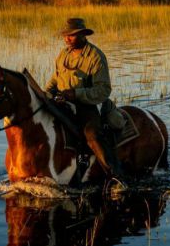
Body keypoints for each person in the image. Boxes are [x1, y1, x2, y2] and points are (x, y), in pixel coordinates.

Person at [44, 18, 125, 179]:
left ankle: (115, 176)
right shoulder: (63, 54)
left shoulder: (95, 56)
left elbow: (103, 90)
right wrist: (45, 94)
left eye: (71, 36)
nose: (67, 39)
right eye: (65, 36)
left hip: (88, 107)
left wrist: (77, 94)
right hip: (63, 104)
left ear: (82, 35)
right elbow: (56, 78)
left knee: (92, 135)